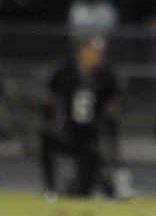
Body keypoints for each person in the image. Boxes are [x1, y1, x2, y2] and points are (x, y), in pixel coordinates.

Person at [39, 36, 122, 199]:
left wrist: (112, 145)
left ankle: (93, 182)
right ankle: (50, 188)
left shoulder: (106, 76)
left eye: (99, 53)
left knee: (82, 193)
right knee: (46, 137)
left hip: (91, 140)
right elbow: (48, 101)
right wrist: (52, 123)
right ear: (81, 52)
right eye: (92, 51)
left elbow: (111, 112)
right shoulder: (64, 72)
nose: (96, 56)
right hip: (69, 134)